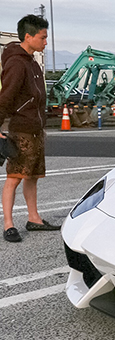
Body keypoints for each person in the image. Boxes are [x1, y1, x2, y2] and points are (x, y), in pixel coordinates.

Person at [0, 15, 60, 242]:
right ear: (28, 36)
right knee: (14, 177)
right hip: (22, 128)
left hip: (35, 128)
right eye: (42, 37)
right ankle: (8, 224)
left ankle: (34, 218)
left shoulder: (32, 61)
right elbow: (6, 97)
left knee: (32, 176)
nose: (46, 42)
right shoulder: (17, 62)